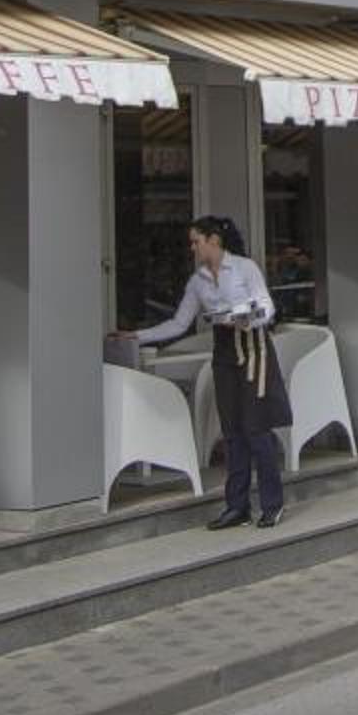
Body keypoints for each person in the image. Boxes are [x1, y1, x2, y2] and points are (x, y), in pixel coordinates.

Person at [127, 216, 294, 530]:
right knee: (231, 430)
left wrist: (245, 319)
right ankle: (237, 506)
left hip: (253, 347)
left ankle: (272, 504)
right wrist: (136, 336)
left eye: (196, 241)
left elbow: (266, 305)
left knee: (256, 428)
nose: (192, 247)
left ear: (213, 240)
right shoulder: (198, 281)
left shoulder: (244, 267)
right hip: (224, 351)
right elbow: (179, 323)